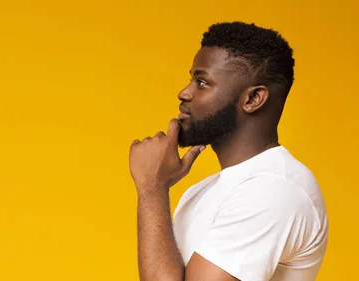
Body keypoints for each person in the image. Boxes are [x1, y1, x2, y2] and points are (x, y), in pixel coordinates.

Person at [128, 22, 328, 281]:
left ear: (253, 99)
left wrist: (151, 187)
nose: (184, 93)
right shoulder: (206, 190)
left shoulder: (273, 190)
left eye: (201, 82)